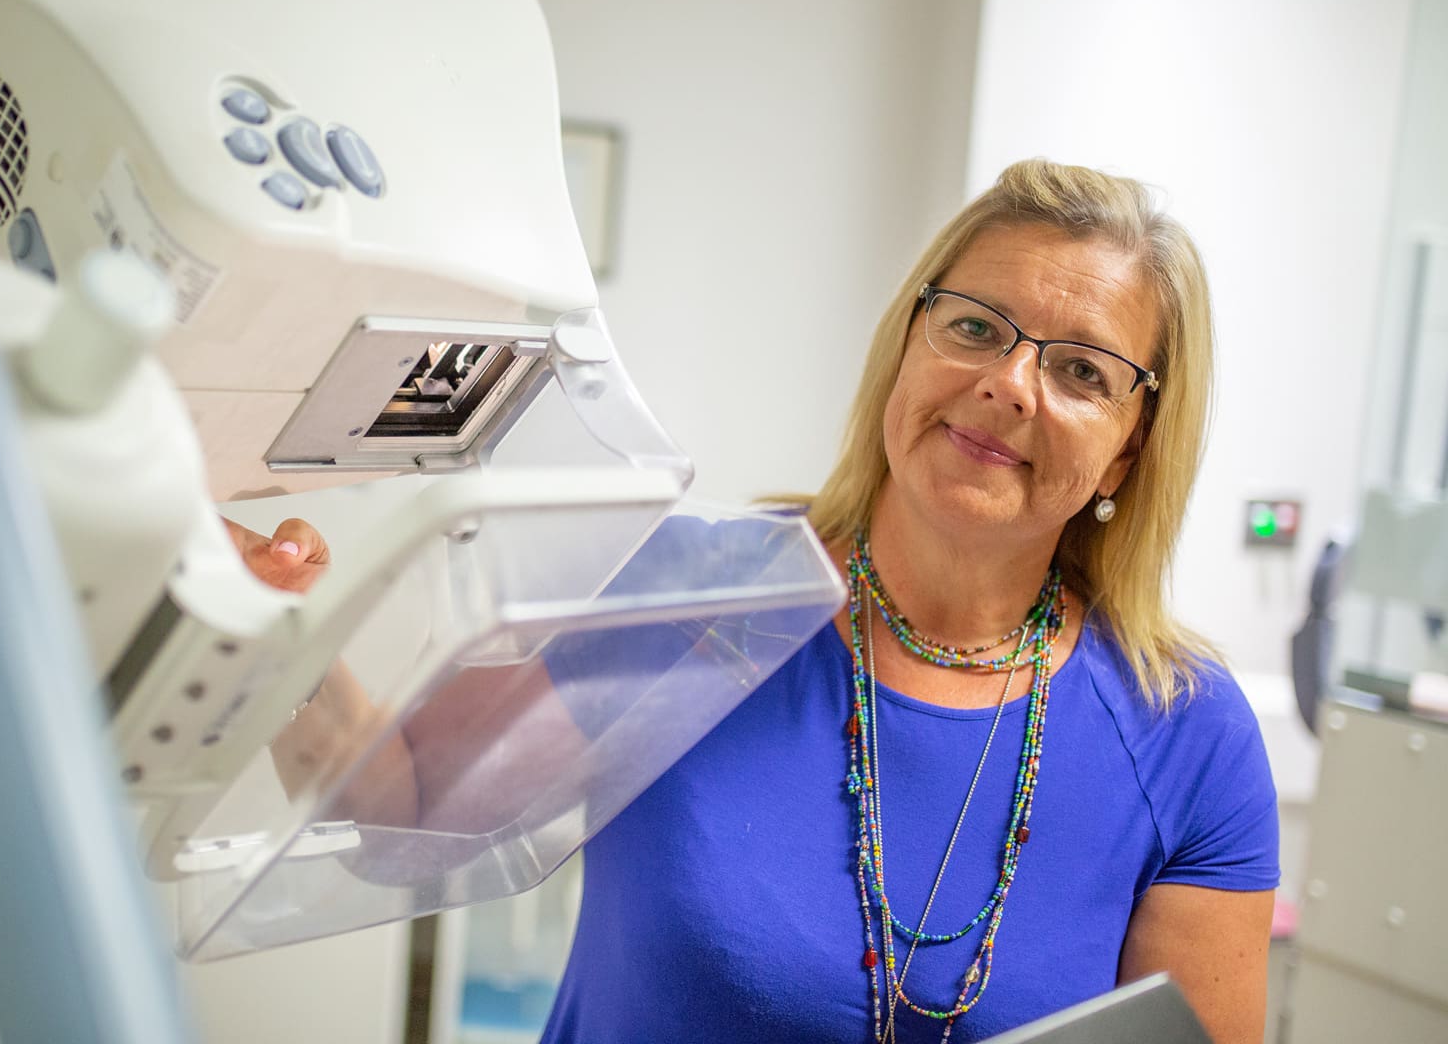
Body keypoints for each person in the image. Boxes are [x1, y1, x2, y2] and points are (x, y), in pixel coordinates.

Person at [234, 159, 1279, 1044]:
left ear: (1128, 449)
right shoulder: (697, 592)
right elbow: (405, 816)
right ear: (907, 350)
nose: (1011, 383)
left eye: (1083, 371)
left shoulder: (1189, 734)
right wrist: (277, 631)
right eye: (973, 326)